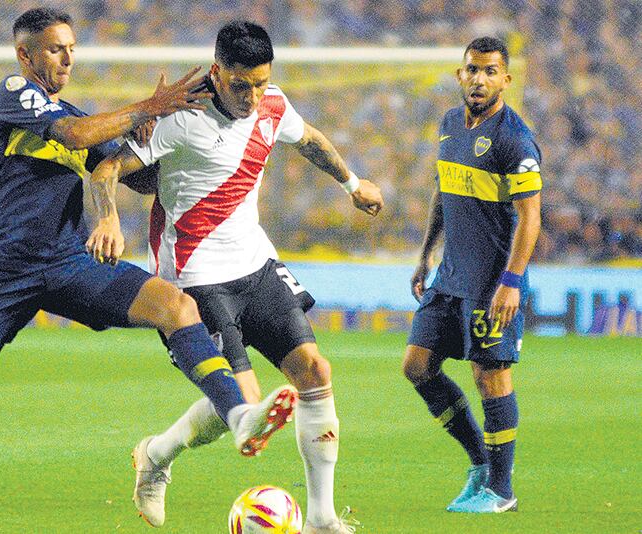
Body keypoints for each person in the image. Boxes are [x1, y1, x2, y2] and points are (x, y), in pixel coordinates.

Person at [0, 9, 298, 534]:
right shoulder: (14, 93)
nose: (66, 58)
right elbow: (78, 134)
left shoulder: (81, 113)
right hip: (1, 271)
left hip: (67, 263)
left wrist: (153, 133)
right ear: (26, 55)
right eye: (56, 48)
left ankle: (238, 417)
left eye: (71, 49)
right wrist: (148, 105)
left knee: (177, 306)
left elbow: (138, 180)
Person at [86, 20, 383, 534]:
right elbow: (107, 169)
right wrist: (108, 217)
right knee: (244, 411)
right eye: (241, 84)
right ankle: (156, 454)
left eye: (261, 83)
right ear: (218, 73)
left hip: (256, 264)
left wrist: (352, 183)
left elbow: (308, 139)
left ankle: (321, 519)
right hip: (196, 279)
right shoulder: (181, 117)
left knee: (315, 371)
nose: (252, 96)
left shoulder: (272, 104)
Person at [403, 36, 541, 514]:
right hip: (449, 275)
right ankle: (480, 463)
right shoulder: (448, 124)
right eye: (472, 70)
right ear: (460, 74)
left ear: (506, 79)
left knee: (491, 377)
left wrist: (512, 282)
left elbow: (531, 217)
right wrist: (425, 255)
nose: (479, 79)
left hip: (491, 280)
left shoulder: (514, 139)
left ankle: (501, 491)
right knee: (417, 366)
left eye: (490, 71)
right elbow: (444, 192)